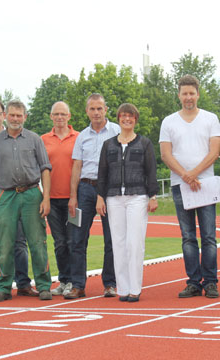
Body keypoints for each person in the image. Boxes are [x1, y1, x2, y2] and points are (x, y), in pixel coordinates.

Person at [159, 75, 220, 298]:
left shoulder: (210, 118)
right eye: (184, 93)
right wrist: (185, 175)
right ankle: (194, 282)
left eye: (191, 93)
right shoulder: (168, 121)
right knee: (187, 236)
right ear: (179, 95)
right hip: (180, 185)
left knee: (209, 236)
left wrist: (194, 174)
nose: (188, 97)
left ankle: (211, 281)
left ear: (198, 94)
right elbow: (165, 154)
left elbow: (214, 151)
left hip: (205, 184)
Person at [0, 100, 53, 302]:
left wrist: (45, 198)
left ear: (25, 117)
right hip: (6, 195)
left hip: (32, 193)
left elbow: (45, 169)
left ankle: (43, 285)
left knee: (37, 242)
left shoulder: (34, 139)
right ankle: (3, 287)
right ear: (6, 116)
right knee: (3, 243)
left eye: (19, 115)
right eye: (12, 115)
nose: (15, 119)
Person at [96, 103, 159, 302]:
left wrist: (153, 195)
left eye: (130, 116)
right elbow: (102, 173)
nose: (127, 119)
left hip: (137, 196)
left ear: (135, 119)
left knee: (135, 243)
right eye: (123, 116)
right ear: (119, 118)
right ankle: (122, 288)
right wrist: (100, 197)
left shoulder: (144, 143)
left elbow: (151, 170)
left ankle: (135, 288)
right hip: (114, 198)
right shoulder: (109, 145)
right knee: (118, 243)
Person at [66, 93, 120, 299]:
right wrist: (73, 196)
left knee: (111, 239)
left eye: (100, 108)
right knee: (78, 239)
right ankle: (78, 285)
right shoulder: (82, 136)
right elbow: (76, 166)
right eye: (92, 109)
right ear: (87, 111)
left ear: (106, 109)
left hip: (111, 190)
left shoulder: (116, 131)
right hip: (85, 189)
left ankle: (110, 283)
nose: (96, 113)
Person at [41, 101, 79, 296]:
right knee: (60, 242)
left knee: (74, 241)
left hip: (74, 199)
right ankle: (63, 280)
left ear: (69, 116)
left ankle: (75, 281)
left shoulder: (79, 138)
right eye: (56, 114)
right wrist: (44, 197)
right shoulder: (43, 140)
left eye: (63, 114)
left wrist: (75, 196)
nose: (59, 117)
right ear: (51, 117)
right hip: (53, 200)